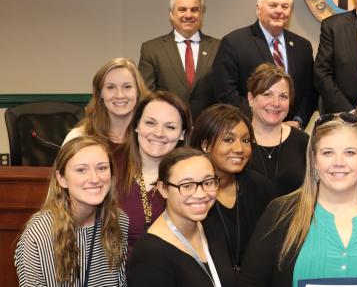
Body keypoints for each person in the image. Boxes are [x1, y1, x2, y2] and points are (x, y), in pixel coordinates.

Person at [238, 113, 357, 286]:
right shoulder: (280, 215)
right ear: (314, 161)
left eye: (350, 152)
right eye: (328, 153)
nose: (339, 162)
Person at [15, 136, 128, 286]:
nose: (94, 179)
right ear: (61, 179)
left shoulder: (118, 220)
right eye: (81, 170)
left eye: (102, 168)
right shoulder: (39, 232)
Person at [213, 0, 316, 128]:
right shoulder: (234, 42)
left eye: (285, 6)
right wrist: (259, 120)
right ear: (258, 8)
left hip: (291, 132)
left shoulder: (302, 46)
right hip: (249, 130)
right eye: (273, 5)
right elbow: (226, 92)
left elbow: (310, 92)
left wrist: (299, 120)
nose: (279, 11)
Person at [128, 147, 234, 287]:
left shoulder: (211, 227)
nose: (201, 194)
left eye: (208, 183)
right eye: (187, 185)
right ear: (163, 189)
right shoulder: (150, 253)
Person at [193, 103, 276, 275]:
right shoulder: (189, 192)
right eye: (228, 139)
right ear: (205, 145)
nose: (239, 149)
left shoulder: (262, 188)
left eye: (245, 140)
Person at [119, 90, 191, 253]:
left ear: (182, 134)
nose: (159, 133)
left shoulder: (192, 181)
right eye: (150, 123)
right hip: (115, 276)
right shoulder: (108, 173)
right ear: (136, 125)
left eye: (170, 127)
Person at [139, 0, 220, 119]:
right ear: (171, 14)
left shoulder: (219, 47)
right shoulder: (152, 49)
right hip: (167, 127)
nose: (188, 15)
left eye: (194, 10)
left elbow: (224, 92)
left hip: (208, 128)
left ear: (201, 14)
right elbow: (146, 95)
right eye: (182, 9)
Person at [65, 57, 149, 184]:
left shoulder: (152, 138)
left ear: (137, 91)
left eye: (127, 87)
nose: (120, 95)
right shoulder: (79, 136)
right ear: (100, 94)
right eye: (110, 87)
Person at [245, 63, 308, 196]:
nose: (276, 103)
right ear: (251, 99)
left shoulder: (303, 141)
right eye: (267, 94)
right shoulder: (237, 141)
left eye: (283, 96)